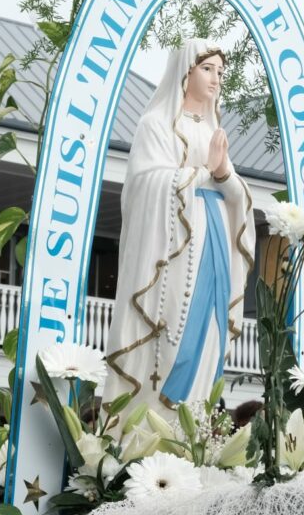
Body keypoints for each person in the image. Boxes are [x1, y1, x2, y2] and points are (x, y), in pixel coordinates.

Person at [103, 39, 255, 419]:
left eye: (221, 71)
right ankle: (157, 422)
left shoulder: (213, 129)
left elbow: (233, 188)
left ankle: (194, 420)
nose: (216, 78)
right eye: (207, 69)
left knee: (211, 329)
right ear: (184, 71)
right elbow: (144, 183)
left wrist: (221, 173)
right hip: (175, 245)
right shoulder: (156, 124)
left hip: (215, 236)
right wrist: (205, 174)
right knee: (173, 324)